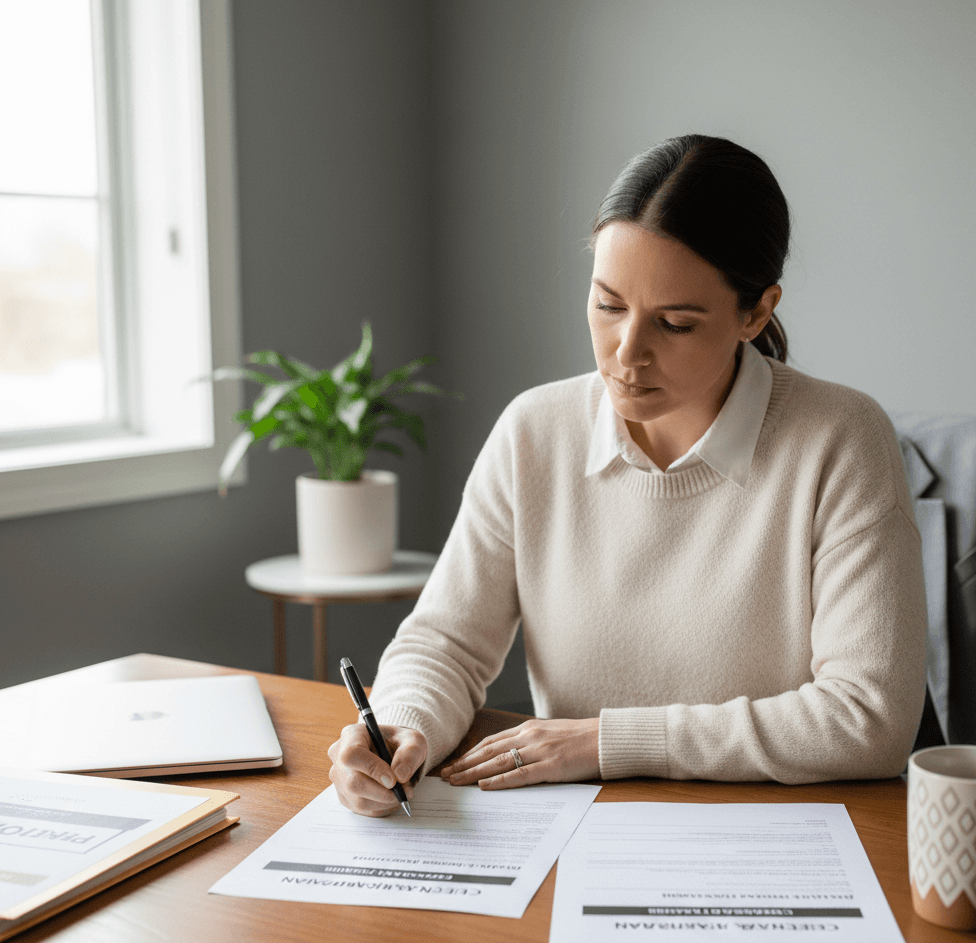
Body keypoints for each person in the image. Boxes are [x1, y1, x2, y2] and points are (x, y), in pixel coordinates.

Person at [329, 134, 928, 817]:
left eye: (674, 323)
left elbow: (868, 719)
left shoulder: (843, 440)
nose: (627, 353)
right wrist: (404, 724)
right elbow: (446, 642)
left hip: (774, 842)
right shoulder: (535, 431)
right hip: (574, 833)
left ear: (756, 312)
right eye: (609, 305)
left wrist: (609, 742)